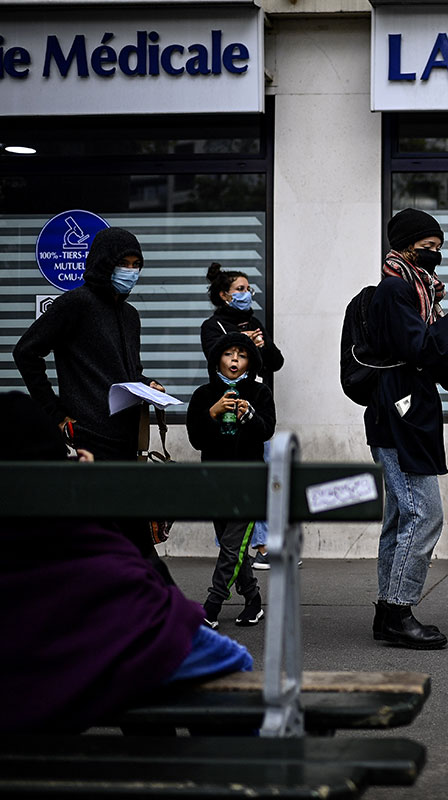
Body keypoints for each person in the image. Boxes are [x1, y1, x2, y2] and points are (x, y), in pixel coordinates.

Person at [0, 391, 252, 734]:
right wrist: (88, 499)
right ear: (56, 468)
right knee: (225, 663)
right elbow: (139, 581)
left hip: (30, 697)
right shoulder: (84, 539)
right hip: (116, 646)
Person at [367, 208, 448, 650]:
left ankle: (389, 611)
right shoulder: (395, 290)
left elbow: (429, 354)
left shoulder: (415, 291)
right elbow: (418, 348)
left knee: (401, 517)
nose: (435, 256)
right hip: (397, 417)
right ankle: (398, 612)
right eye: (428, 248)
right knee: (423, 515)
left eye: (439, 249)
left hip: (406, 415)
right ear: (405, 246)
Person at [12, 227, 166, 559]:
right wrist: (55, 413)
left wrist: (147, 385)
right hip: (89, 440)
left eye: (136, 263)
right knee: (112, 541)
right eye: (123, 262)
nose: (130, 271)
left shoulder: (130, 315)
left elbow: (127, 372)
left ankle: (146, 604)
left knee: (128, 541)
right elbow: (26, 352)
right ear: (102, 263)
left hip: (126, 442)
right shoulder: (76, 304)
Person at [186, 333, 277, 629]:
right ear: (217, 360)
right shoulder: (203, 395)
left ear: (250, 361)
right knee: (231, 546)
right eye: (228, 354)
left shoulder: (260, 393)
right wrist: (213, 413)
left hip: (248, 482)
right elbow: (196, 439)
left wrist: (249, 415)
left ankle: (211, 606)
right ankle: (253, 600)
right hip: (215, 481)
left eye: (242, 354)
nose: (235, 359)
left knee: (232, 546)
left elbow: (266, 431)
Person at [201, 262, 286, 571]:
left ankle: (262, 545)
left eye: (248, 289)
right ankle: (231, 546)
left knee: (259, 474)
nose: (247, 294)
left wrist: (260, 346)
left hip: (253, 409)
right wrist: (242, 343)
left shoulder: (254, 322)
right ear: (225, 295)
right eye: (240, 289)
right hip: (224, 408)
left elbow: (275, 362)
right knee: (227, 475)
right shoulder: (214, 326)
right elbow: (215, 360)